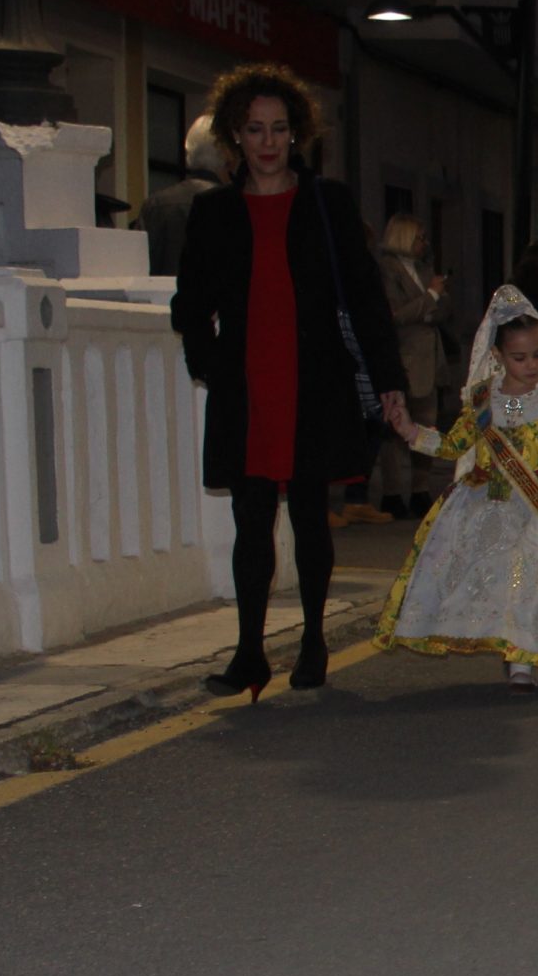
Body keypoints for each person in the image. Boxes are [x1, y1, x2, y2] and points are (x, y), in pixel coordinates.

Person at [170, 62, 405, 701]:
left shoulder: (328, 203)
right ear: (235, 136)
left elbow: (366, 298)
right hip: (246, 387)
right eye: (255, 129)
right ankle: (249, 652)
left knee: (308, 516)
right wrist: (208, 363)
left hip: (314, 385)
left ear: (296, 132)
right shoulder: (213, 211)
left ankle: (313, 641)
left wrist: (388, 380)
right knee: (250, 522)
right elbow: (189, 304)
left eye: (279, 128)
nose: (268, 141)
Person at [375, 288, 538, 692]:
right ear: (498, 355)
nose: (531, 365)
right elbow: (455, 444)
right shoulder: (485, 400)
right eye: (519, 358)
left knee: (530, 583)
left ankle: (521, 659)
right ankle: (501, 643)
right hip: (488, 506)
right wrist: (409, 430)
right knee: (493, 582)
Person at [369, 214, 452, 519]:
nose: (425, 243)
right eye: (419, 237)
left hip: (430, 357)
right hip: (403, 357)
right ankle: (392, 491)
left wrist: (432, 304)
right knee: (395, 427)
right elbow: (395, 314)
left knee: (426, 423)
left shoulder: (424, 268)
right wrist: (430, 298)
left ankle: (420, 488)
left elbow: (443, 309)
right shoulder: (387, 270)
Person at [136, 114, 225, 278]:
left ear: (188, 153)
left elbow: (139, 266)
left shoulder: (155, 205)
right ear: (225, 155)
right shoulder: (234, 206)